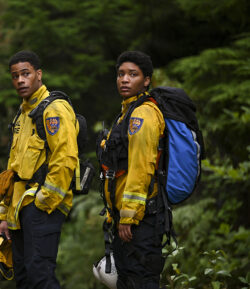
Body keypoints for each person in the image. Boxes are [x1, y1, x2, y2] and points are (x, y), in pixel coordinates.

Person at [0, 50, 79, 289]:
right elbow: (11, 172)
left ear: (38, 75)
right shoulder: (22, 115)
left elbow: (65, 158)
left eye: (25, 74)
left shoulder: (54, 109)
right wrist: (3, 216)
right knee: (23, 276)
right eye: (15, 76)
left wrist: (46, 200)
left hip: (42, 206)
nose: (20, 80)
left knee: (40, 275)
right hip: (19, 210)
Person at [99, 51, 166, 289]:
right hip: (126, 221)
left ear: (146, 80)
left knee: (141, 281)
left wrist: (128, 216)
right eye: (120, 74)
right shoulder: (125, 114)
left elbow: (141, 168)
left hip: (141, 221)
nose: (124, 79)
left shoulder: (142, 114)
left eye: (132, 74)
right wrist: (115, 216)